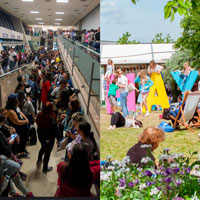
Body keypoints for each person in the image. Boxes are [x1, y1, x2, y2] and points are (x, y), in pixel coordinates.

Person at [36, 102, 60, 173]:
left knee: (43, 147)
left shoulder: (39, 115)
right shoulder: (51, 118)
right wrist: (58, 139)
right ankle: (45, 168)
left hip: (41, 137)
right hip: (49, 139)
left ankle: (39, 160)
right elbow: (56, 130)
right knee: (47, 152)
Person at [5, 94, 30, 158]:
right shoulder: (10, 111)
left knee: (24, 139)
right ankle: (21, 153)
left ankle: (23, 150)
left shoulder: (15, 107)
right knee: (20, 141)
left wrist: (26, 118)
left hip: (22, 127)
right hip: (18, 129)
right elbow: (16, 122)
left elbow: (20, 112)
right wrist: (25, 121)